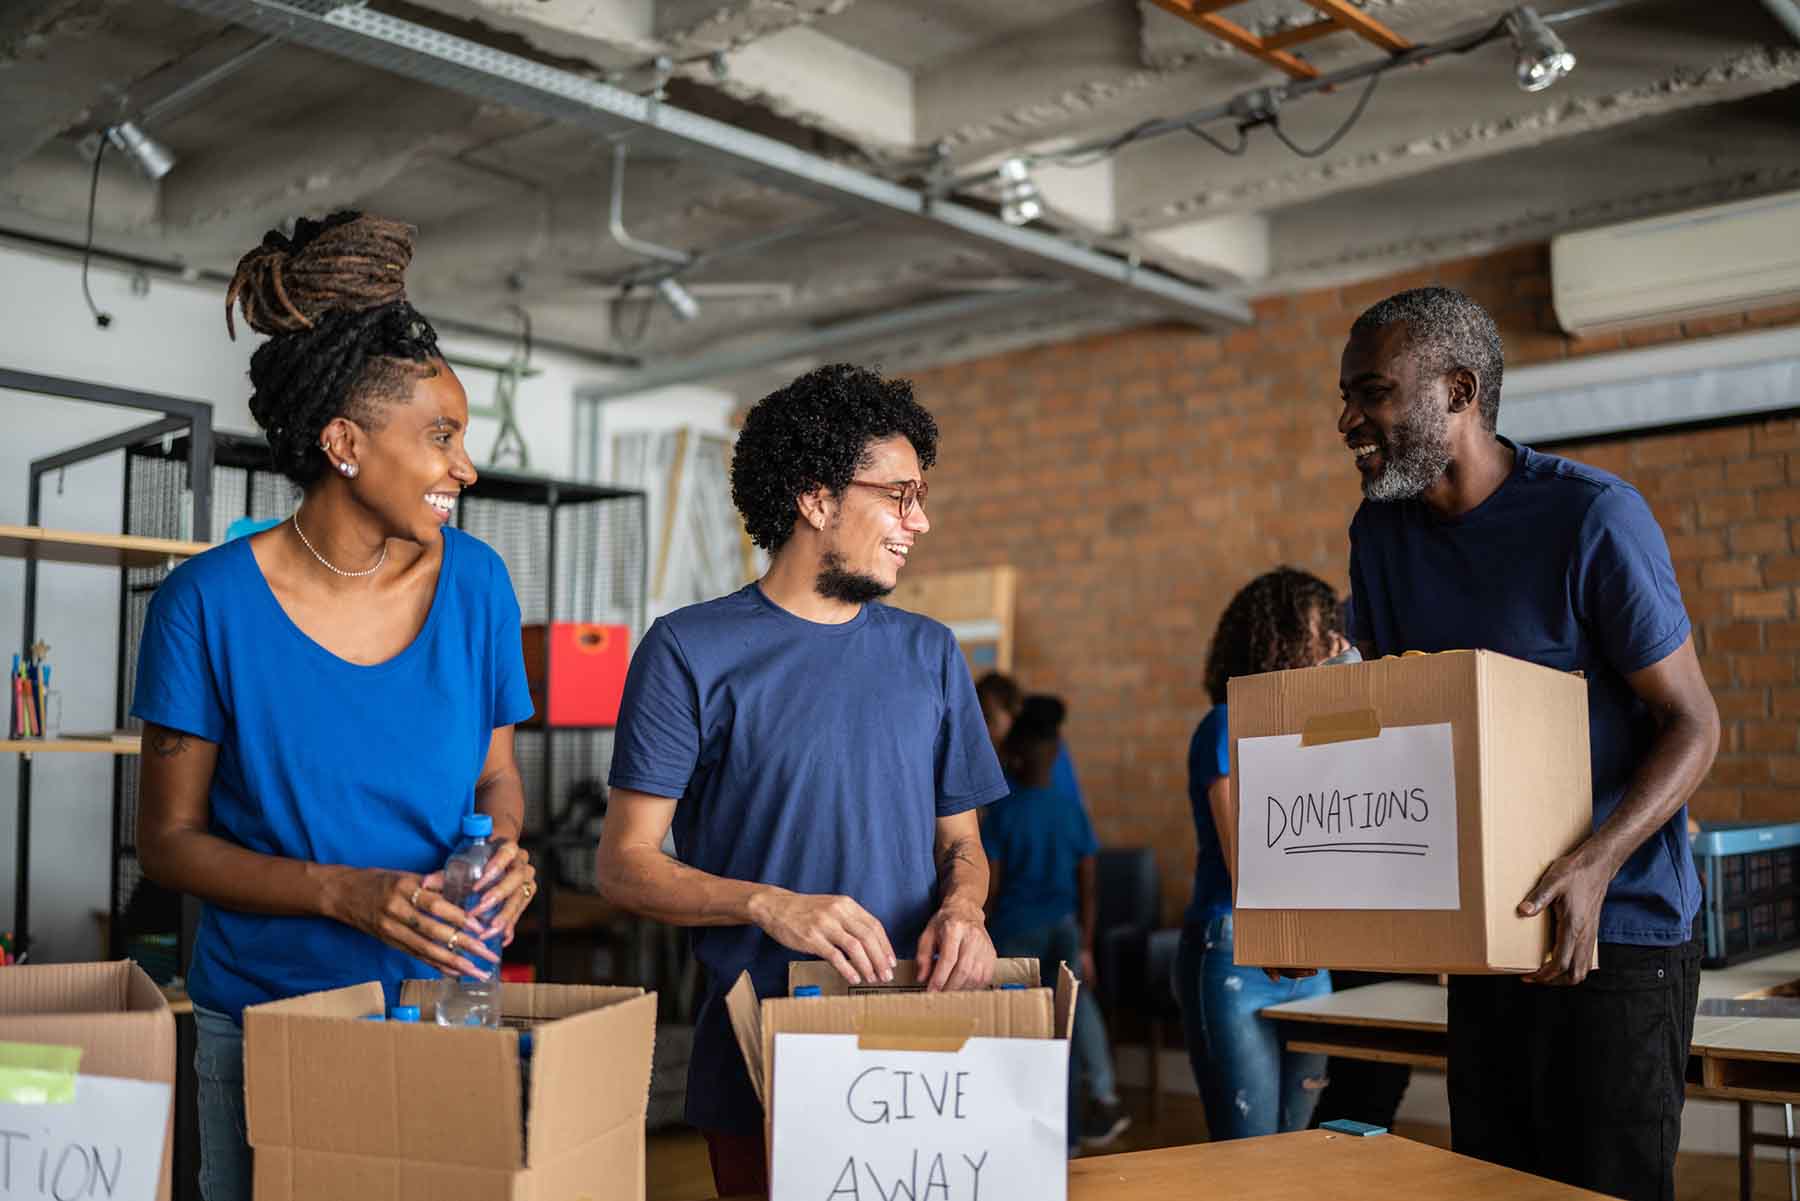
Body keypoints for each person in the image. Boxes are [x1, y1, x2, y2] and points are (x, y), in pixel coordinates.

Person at [132, 212, 539, 1201]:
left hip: (448, 1015)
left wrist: (508, 858)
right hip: (271, 1021)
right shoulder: (207, 604)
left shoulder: (479, 585)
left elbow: (495, 776)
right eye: (440, 436)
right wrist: (346, 891)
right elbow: (170, 842)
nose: (466, 466)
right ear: (344, 441)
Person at [1339, 286, 1719, 1198]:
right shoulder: (1380, 534)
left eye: (1373, 392)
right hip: (1491, 939)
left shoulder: (1592, 518)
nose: (1347, 419)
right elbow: (1403, 730)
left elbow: (1694, 723)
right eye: (1346, 395)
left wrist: (1593, 862)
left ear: (1459, 391)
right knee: (1495, 1187)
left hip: (1616, 929)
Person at [596, 364, 1009, 1200]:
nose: (918, 521)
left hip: (918, 1046)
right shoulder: (687, 651)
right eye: (898, 495)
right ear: (815, 498)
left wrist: (965, 908)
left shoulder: (931, 654)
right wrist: (770, 903)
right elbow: (623, 863)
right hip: (762, 1055)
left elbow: (960, 843)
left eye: (919, 496)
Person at [1176, 568, 1341, 1140]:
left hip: (1307, 954)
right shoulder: (1225, 723)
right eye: (1325, 634)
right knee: (1250, 1149)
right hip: (1235, 952)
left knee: (1296, 1144)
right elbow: (1252, 864)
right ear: (1284, 640)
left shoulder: (1310, 732)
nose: (1336, 648)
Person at [981, 693, 1130, 1152]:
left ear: (1015, 758)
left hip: (1014, 935)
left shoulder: (1003, 813)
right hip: (1064, 929)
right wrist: (1085, 940)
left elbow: (990, 884)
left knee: (1016, 1030)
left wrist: (979, 929)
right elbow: (1089, 882)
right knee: (1062, 1026)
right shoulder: (1070, 812)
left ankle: (1015, 1127)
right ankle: (1066, 1137)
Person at [977, 671, 1085, 809]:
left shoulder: (1036, 751)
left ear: (1012, 712)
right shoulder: (997, 759)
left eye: (987, 717)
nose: (982, 730)